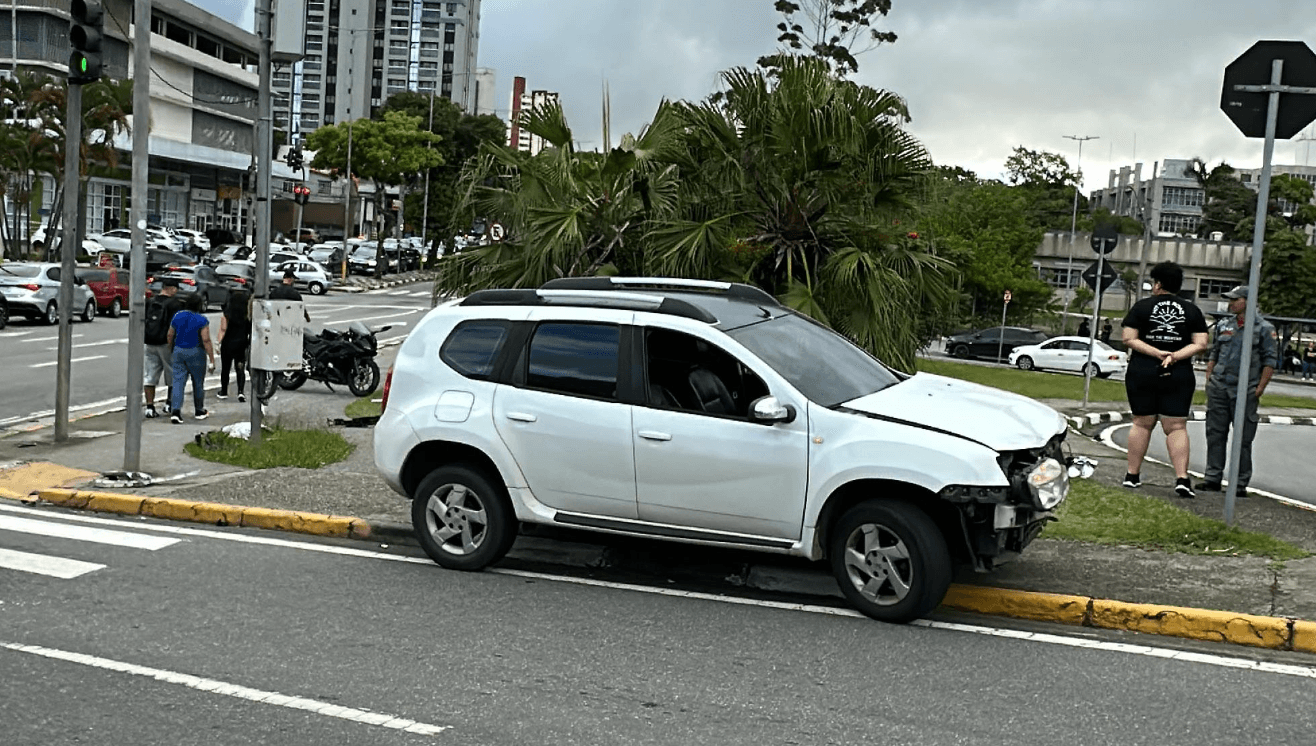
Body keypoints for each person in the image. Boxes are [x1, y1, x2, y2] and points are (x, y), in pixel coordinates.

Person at [1120, 261, 1209, 498]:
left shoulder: (1142, 307)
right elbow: (1201, 343)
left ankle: (1132, 475)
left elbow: (1128, 338)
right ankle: (1182, 478)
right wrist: (1174, 356)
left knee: (1141, 422)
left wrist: (1156, 352)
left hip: (1143, 370)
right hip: (1178, 372)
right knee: (1176, 426)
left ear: (1158, 284)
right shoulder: (1192, 310)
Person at [1198, 285, 1278, 495]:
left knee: (1242, 438)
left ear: (1248, 301)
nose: (1231, 303)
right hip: (1220, 386)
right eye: (1230, 299)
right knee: (1215, 434)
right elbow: (1215, 353)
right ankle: (1212, 477)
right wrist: (1209, 377)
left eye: (1235, 299)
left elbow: (1270, 360)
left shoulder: (1264, 328)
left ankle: (1239, 483)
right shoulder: (1224, 324)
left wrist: (1260, 388)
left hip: (1245, 388)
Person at [167, 293, 215, 424]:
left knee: (178, 381)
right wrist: (212, 359)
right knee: (198, 382)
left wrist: (171, 349)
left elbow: (170, 334)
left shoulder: (178, 316)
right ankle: (199, 410)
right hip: (196, 351)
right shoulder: (202, 319)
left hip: (178, 350)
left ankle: (176, 411)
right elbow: (206, 339)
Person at [143, 278, 184, 418]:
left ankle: (149, 407)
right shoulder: (175, 304)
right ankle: (169, 403)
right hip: (167, 343)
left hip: (150, 342)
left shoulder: (150, 302)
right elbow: (177, 325)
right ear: (172, 288)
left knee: (150, 375)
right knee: (173, 374)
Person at [218, 285, 252, 402]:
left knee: (225, 368)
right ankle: (241, 391)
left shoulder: (228, 315)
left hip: (228, 343)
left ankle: (224, 391)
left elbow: (223, 329)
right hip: (241, 343)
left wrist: (218, 342)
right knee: (240, 367)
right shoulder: (246, 317)